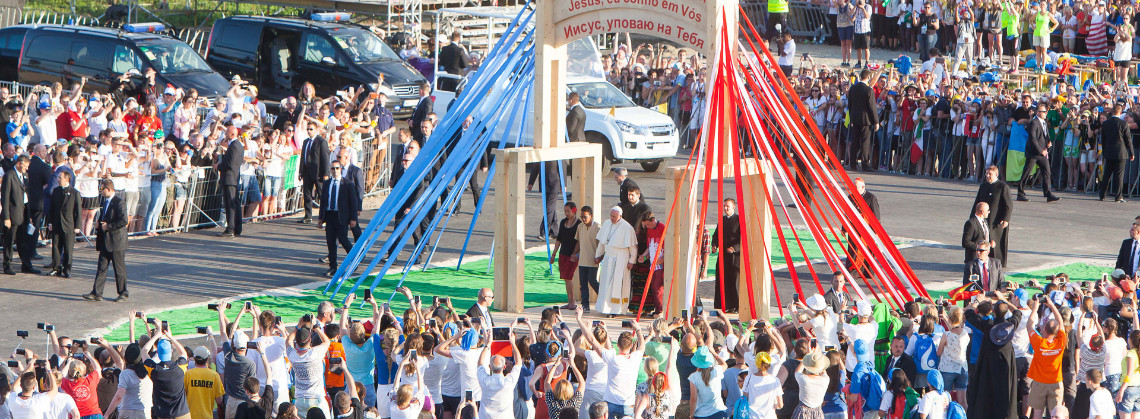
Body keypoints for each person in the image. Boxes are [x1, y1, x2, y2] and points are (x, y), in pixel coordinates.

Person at [83, 179, 129, 302]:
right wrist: (99, 224)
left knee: (118, 269)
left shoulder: (119, 202)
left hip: (116, 241)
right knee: (101, 267)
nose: (101, 191)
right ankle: (97, 292)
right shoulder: (104, 201)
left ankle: (123, 292)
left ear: (109, 189)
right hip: (105, 240)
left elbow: (124, 220)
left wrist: (108, 226)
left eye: (102, 189)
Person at [594, 206, 637, 317]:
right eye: (611, 215)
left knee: (616, 286)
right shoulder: (607, 224)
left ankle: (615, 310)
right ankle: (605, 308)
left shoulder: (627, 228)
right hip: (608, 258)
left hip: (621, 259)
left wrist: (632, 260)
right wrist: (598, 255)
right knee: (605, 285)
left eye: (614, 216)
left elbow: (633, 247)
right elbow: (602, 243)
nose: (612, 218)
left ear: (620, 216)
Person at [318, 163, 359, 277]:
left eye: (337, 168)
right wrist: (321, 218)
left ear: (340, 169)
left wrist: (353, 218)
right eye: (332, 168)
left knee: (343, 239)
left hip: (341, 216)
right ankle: (333, 267)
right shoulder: (327, 183)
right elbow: (323, 202)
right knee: (330, 241)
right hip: (330, 215)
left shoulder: (347, 184)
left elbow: (353, 203)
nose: (335, 170)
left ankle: (354, 260)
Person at [476, 322, 522, 418]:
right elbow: (518, 363)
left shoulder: (484, 380)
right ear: (504, 367)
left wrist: (487, 345)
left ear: (490, 367)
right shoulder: (508, 381)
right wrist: (513, 343)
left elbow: (480, 363)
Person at [287, 325, 333, 419]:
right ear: (310, 340)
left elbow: (288, 341)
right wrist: (317, 328)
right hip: (317, 399)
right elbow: (327, 341)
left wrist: (297, 328)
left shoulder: (293, 355)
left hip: (300, 400)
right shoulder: (315, 353)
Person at [1017, 105, 1060, 202]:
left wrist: (1048, 141)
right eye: (1044, 111)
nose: (1046, 113)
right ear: (1038, 112)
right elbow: (1033, 139)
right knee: (1026, 173)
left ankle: (1048, 193)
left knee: (1047, 172)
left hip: (1042, 153)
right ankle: (1020, 193)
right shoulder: (1034, 123)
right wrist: (1041, 150)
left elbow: (1045, 134)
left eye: (1046, 111)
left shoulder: (1044, 122)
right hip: (1034, 152)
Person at [972, 166, 1013, 264]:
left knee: (996, 241)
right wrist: (973, 217)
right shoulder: (983, 186)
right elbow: (977, 203)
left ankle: (997, 262)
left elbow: (1009, 204)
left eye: (990, 174)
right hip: (984, 219)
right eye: (986, 173)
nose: (987, 176)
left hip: (997, 220)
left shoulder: (1003, 187)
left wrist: (1006, 219)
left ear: (996, 174)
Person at [1, 155, 34, 275]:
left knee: (23, 241)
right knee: (9, 241)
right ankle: (7, 265)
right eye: (26, 166)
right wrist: (6, 217)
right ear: (20, 163)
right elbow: (5, 198)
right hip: (13, 213)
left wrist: (29, 214)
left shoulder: (25, 175)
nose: (27, 168)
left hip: (24, 212)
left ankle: (26, 264)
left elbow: (26, 194)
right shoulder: (9, 175)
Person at [46, 170, 79, 278]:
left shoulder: (74, 193)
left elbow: (77, 211)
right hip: (56, 223)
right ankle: (56, 268)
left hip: (69, 224)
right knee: (55, 247)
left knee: (68, 248)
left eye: (60, 178)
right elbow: (52, 208)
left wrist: (77, 226)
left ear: (66, 179)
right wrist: (50, 222)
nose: (58, 180)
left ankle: (67, 269)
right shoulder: (56, 191)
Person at [711, 199, 741, 313]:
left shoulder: (739, 220)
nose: (725, 208)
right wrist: (714, 245)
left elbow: (743, 237)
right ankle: (724, 305)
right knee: (722, 279)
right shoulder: (722, 220)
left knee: (734, 280)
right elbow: (716, 235)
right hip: (723, 255)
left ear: (733, 207)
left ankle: (736, 305)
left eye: (728, 206)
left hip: (735, 257)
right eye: (724, 206)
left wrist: (735, 248)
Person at [1099, 104, 1133, 202]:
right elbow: (1128, 140)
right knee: (1119, 175)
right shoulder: (1123, 124)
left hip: (1109, 152)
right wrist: (1131, 153)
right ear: (1120, 112)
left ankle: (1102, 195)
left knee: (1107, 174)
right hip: (1121, 152)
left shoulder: (1105, 124)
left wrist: (1104, 151)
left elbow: (1103, 139)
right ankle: (1118, 196)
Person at [848, 69, 880, 171]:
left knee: (855, 141)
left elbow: (850, 105)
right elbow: (872, 107)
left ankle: (853, 163)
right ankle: (865, 163)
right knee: (865, 142)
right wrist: (876, 121)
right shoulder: (869, 90)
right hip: (866, 120)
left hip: (855, 118)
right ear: (868, 77)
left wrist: (851, 117)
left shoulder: (853, 89)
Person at [551, 202, 581, 309]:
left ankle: (572, 301)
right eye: (565, 211)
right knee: (565, 278)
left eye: (568, 211)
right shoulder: (563, 222)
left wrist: (575, 254)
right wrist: (554, 254)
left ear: (574, 210)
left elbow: (579, 241)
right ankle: (569, 301)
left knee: (569, 277)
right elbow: (559, 239)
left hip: (572, 255)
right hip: (563, 254)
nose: (566, 213)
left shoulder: (579, 224)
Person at [299, 122, 330, 224]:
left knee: (322, 195)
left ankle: (324, 217)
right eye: (307, 129)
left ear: (316, 130)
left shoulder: (321, 142)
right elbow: (303, 157)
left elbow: (325, 158)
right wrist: (301, 171)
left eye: (311, 129)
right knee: (307, 194)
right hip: (307, 172)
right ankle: (308, 216)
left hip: (318, 173)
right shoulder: (305, 142)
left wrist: (326, 173)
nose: (309, 131)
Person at [216, 126, 244, 238]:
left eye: (227, 132)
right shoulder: (237, 145)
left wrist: (219, 166)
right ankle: (236, 228)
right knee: (234, 203)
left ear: (232, 134)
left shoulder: (234, 146)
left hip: (230, 178)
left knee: (230, 204)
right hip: (233, 178)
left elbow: (230, 164)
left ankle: (231, 229)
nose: (225, 134)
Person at [573, 206, 601, 312]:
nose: (583, 219)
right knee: (583, 283)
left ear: (591, 216)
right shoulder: (580, 227)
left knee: (593, 281)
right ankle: (585, 305)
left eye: (585, 217)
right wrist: (574, 253)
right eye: (582, 217)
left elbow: (601, 245)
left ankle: (603, 298)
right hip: (582, 260)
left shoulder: (598, 227)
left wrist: (600, 257)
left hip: (593, 260)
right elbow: (579, 241)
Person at [185, 345, 225, 419]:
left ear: (194, 358)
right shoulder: (214, 375)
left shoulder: (188, 374)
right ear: (207, 359)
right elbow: (219, 400)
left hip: (191, 415)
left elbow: (183, 395)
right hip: (208, 415)